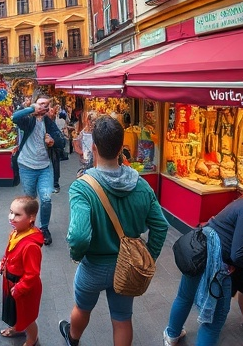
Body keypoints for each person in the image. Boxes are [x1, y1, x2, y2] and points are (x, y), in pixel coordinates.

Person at [59, 115, 168, 346]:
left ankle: (73, 339)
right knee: (122, 318)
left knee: (82, 307)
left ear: (94, 147)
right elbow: (160, 226)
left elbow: (78, 236)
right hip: (127, 266)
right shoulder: (141, 185)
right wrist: (148, 256)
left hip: (93, 267)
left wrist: (77, 256)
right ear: (121, 147)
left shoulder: (82, 187)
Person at [163, 173, 243, 346]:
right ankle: (172, 335)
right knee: (213, 320)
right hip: (216, 261)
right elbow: (239, 253)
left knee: (184, 296)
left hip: (200, 250)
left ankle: (171, 336)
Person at [12, 94, 65, 246]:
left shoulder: (49, 122)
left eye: (46, 105)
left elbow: (61, 141)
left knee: (46, 199)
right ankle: (29, 227)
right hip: (27, 166)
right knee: (30, 200)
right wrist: (30, 109)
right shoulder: (28, 119)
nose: (43, 107)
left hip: (44, 168)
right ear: (35, 105)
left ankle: (44, 229)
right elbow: (14, 117)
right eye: (40, 104)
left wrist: (53, 142)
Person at [0, 196, 44, 346]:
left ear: (31, 217)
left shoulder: (31, 246)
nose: (11, 217)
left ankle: (32, 339)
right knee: (16, 312)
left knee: (27, 317)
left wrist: (20, 288)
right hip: (12, 284)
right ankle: (17, 328)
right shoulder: (15, 232)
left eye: (17, 214)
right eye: (11, 212)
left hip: (24, 288)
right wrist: (3, 262)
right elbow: (8, 252)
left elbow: (32, 274)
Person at [47, 104, 64, 193]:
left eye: (51, 110)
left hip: (54, 148)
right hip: (49, 148)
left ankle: (55, 184)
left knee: (54, 166)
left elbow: (57, 137)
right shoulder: (45, 121)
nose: (50, 112)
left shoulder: (51, 122)